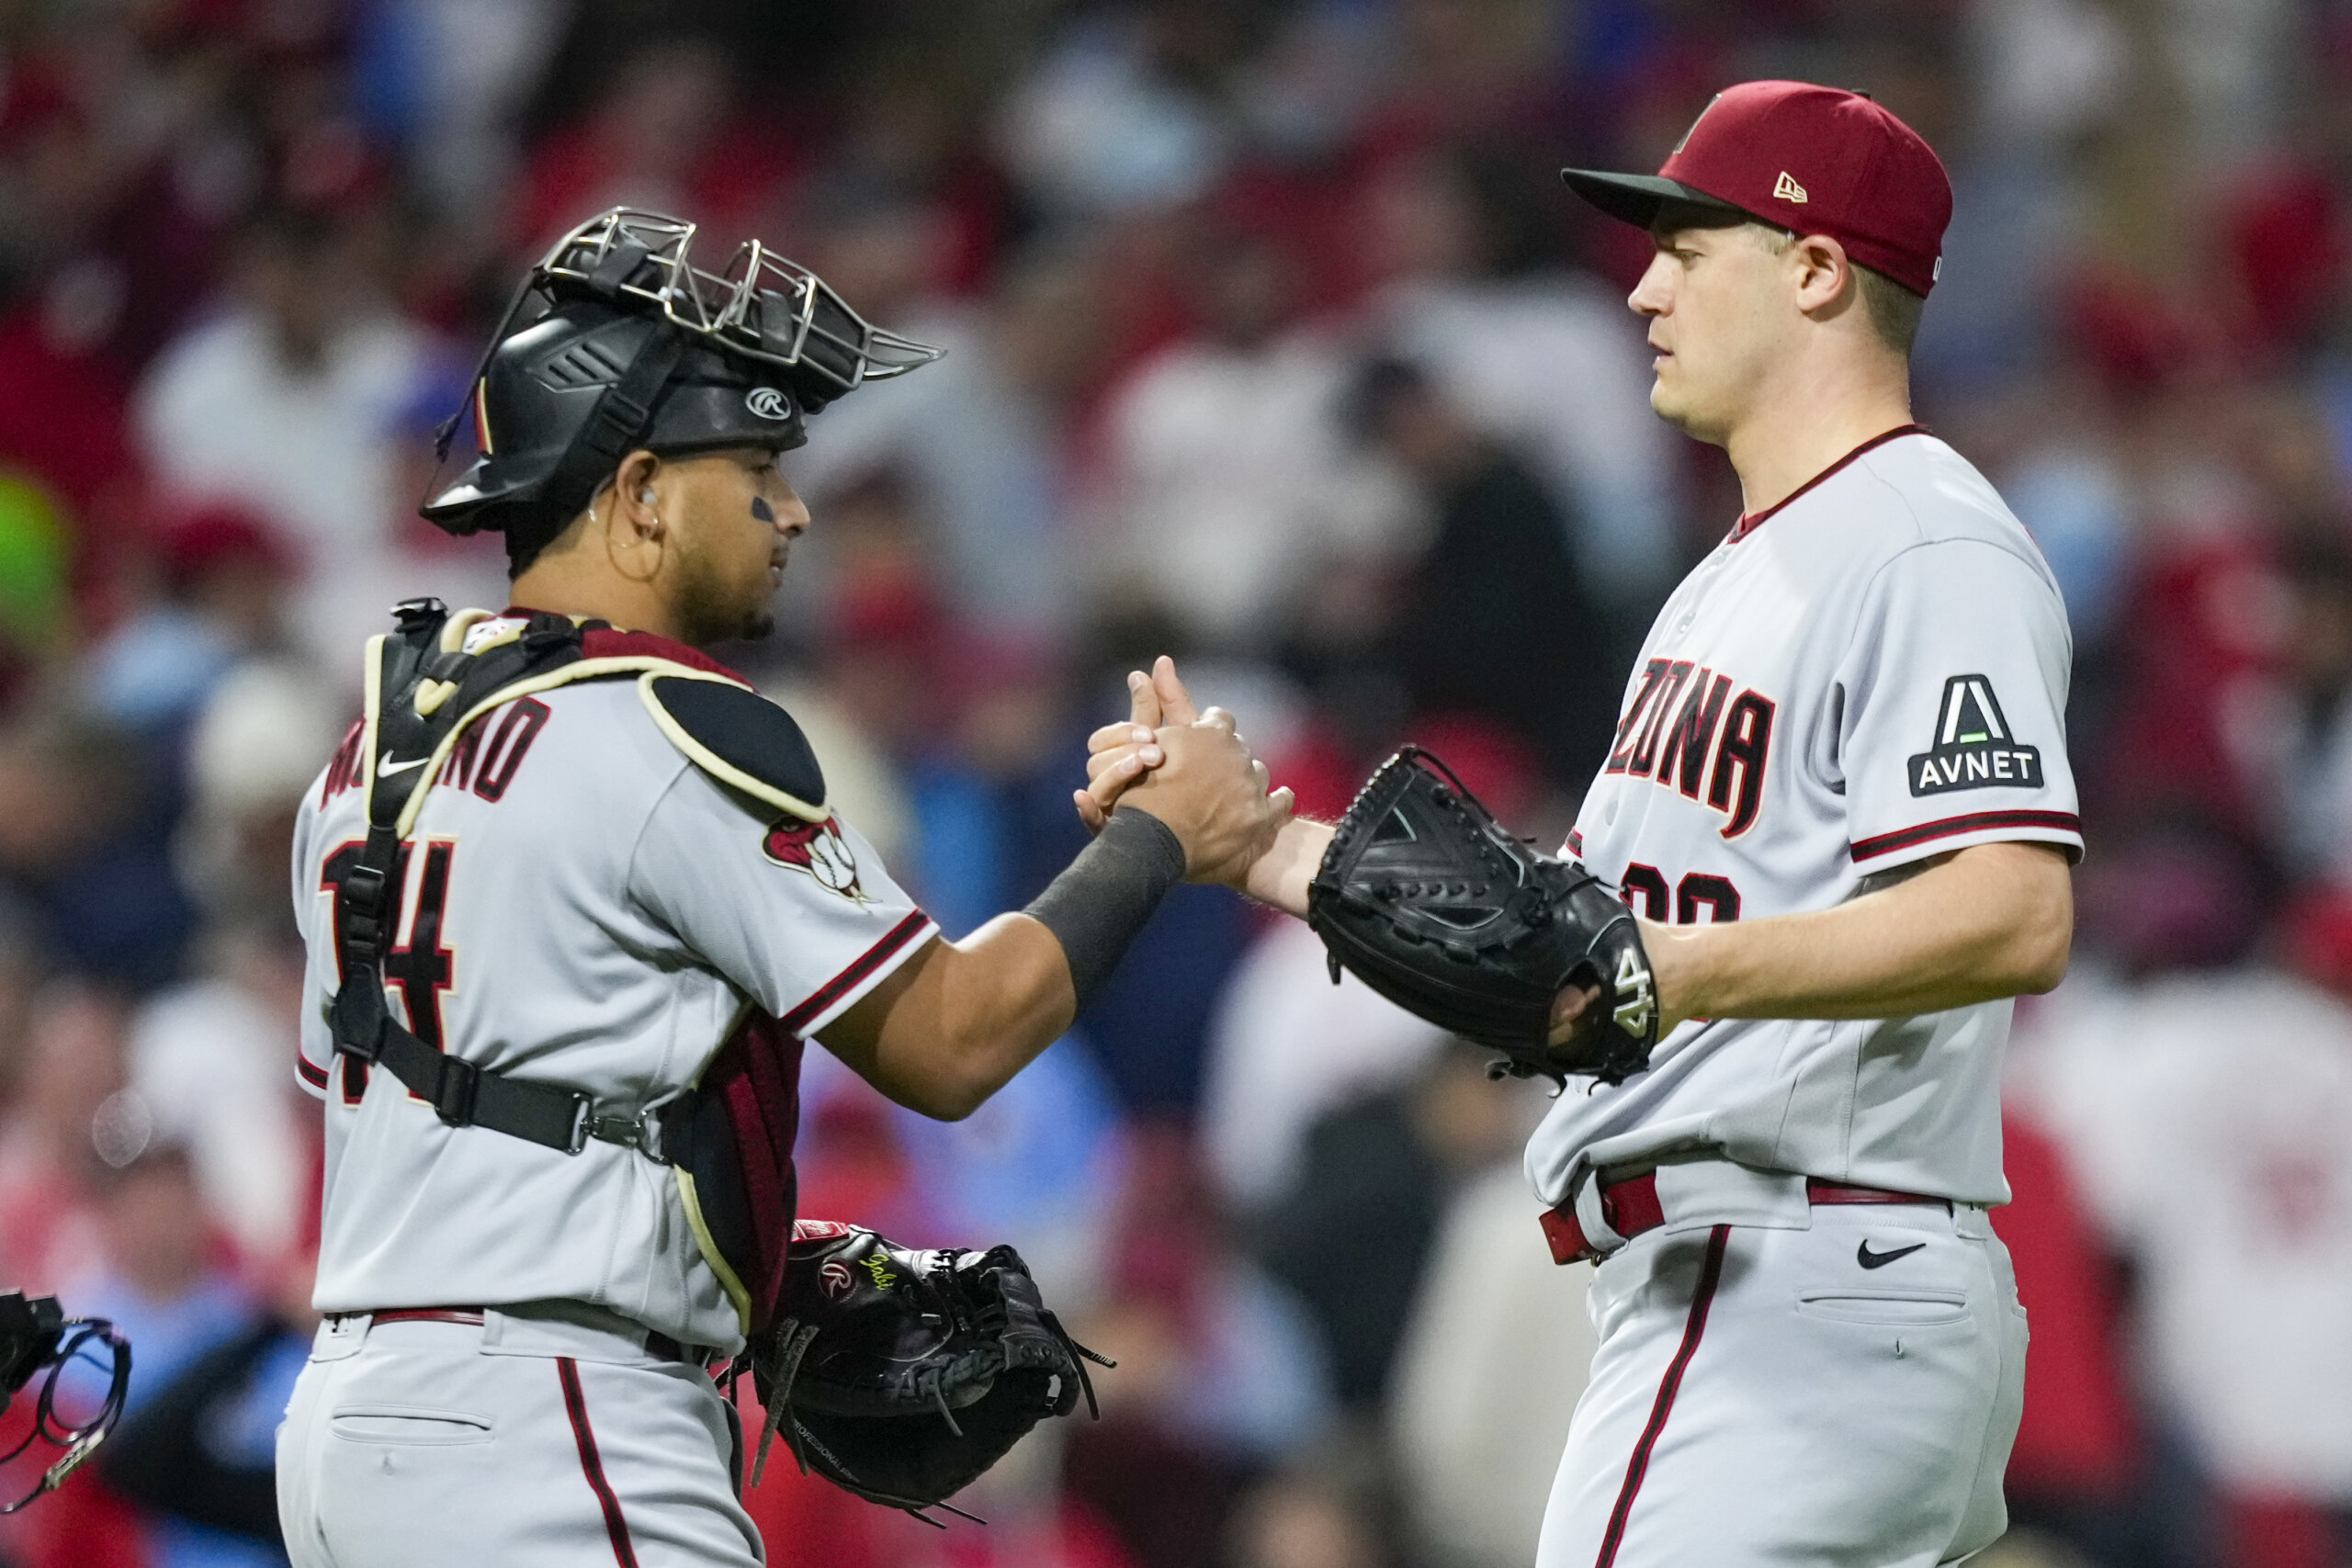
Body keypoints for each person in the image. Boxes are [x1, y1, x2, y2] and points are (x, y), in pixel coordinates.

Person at [1085, 82, 2078, 1568]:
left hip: (1790, 1273)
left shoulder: (1922, 540)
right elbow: (1556, 962)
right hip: (1764, 1276)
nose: (1642, 283)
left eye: (1691, 245)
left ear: (1815, 269)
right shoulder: (1735, 574)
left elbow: (2013, 910)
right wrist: (1263, 848)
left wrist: (1663, 973)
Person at [273, 209, 1286, 1568]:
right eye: (751, 462)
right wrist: (1163, 836)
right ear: (637, 494)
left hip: (353, 1431)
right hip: (557, 1423)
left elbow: (439, 1104)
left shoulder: (371, 748)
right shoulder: (666, 721)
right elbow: (952, 1038)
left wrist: (734, 1241)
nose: (792, 506)